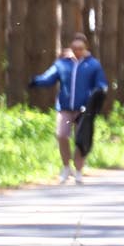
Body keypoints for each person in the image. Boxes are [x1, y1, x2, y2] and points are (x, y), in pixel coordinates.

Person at [29, 33, 108, 184]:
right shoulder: (62, 64)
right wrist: (35, 81)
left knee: (81, 140)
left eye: (80, 48)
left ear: (86, 48)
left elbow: (101, 83)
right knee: (61, 135)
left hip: (84, 110)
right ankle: (66, 167)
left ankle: (78, 170)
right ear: (70, 48)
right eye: (74, 48)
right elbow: (49, 77)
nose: (77, 50)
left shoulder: (93, 65)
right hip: (65, 108)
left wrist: (99, 92)